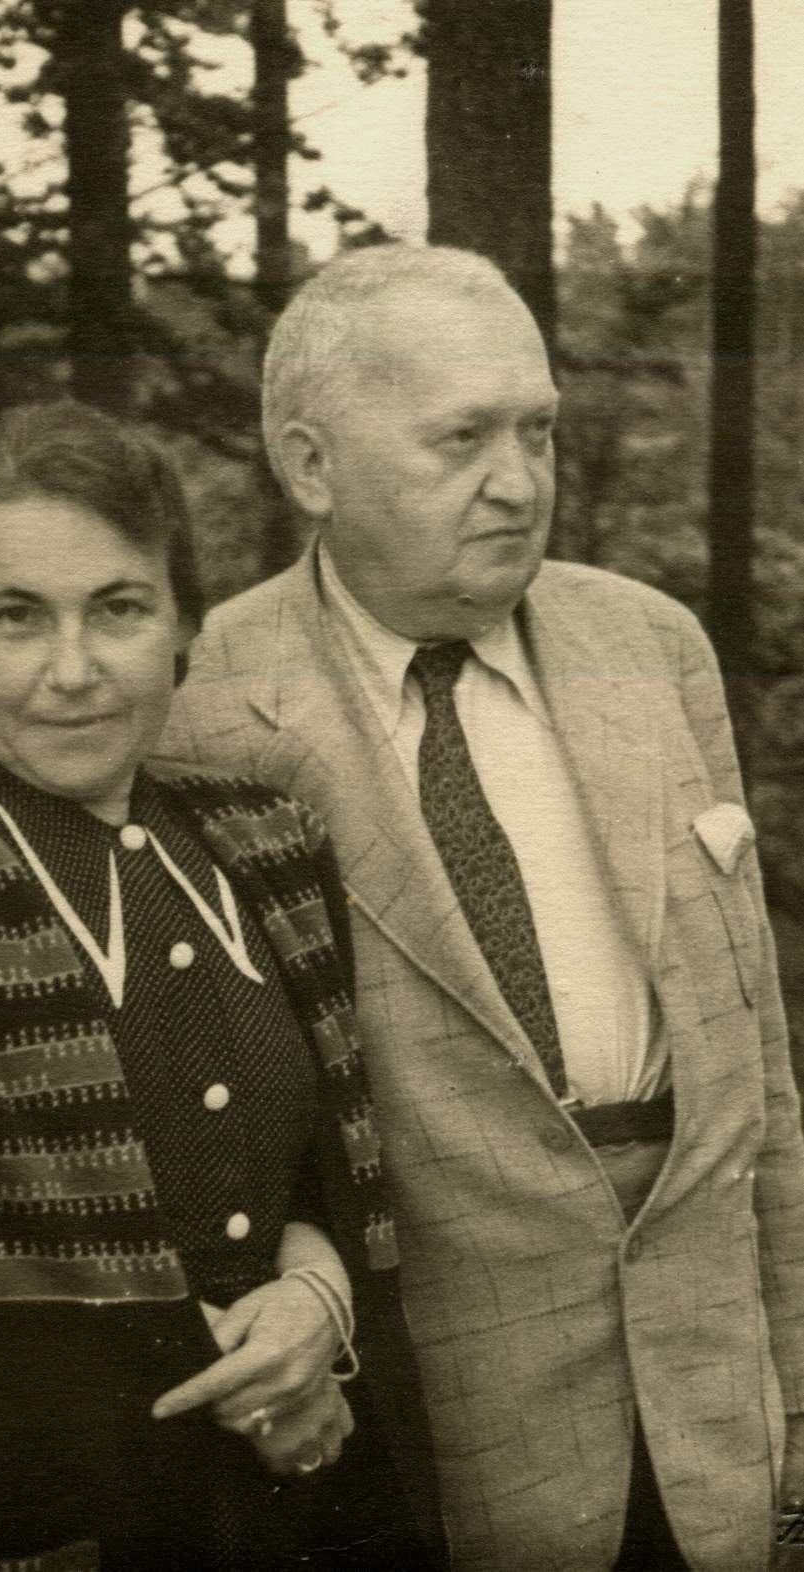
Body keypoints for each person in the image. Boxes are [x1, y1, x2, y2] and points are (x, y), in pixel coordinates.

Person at [162, 243, 804, 1572]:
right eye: (462, 438)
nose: (518, 481)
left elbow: (759, 1077)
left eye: (537, 431)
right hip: (445, 1442)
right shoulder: (206, 705)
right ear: (310, 466)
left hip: (720, 1421)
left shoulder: (652, 646)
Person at [0, 399, 446, 1572]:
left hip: (302, 1501)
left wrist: (317, 1301)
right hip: (30, 1518)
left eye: (118, 608)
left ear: (184, 620)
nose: (73, 671)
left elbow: (324, 1169)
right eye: (15, 616)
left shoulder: (265, 839)